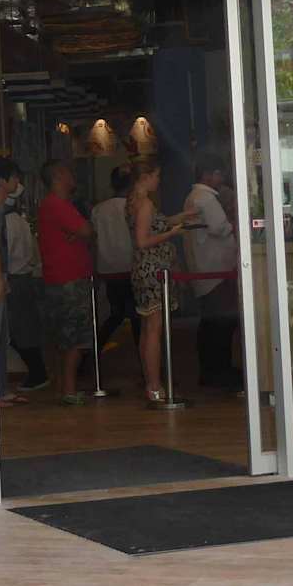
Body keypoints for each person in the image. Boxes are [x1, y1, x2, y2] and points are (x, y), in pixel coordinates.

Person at [128, 160, 194, 405]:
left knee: (147, 329)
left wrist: (178, 218)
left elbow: (151, 224)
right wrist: (172, 233)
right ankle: (155, 385)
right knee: (154, 330)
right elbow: (143, 240)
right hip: (153, 270)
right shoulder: (145, 203)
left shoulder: (133, 201)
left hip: (142, 269)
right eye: (156, 176)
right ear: (145, 177)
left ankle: (151, 382)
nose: (158, 180)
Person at [36, 160, 96, 406]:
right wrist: (81, 231)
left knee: (62, 336)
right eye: (69, 172)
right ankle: (69, 390)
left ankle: (62, 387)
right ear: (59, 176)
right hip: (69, 278)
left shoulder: (50, 206)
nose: (73, 176)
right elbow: (87, 230)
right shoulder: (58, 205)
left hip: (57, 277)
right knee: (74, 336)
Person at [183, 156, 243, 394]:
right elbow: (220, 228)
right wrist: (234, 222)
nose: (221, 178)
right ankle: (219, 371)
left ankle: (213, 369)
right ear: (207, 175)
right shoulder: (206, 198)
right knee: (221, 323)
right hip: (215, 269)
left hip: (204, 268)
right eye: (218, 173)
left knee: (211, 322)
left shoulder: (194, 196)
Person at [0, 157, 25, 406]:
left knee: (1, 336)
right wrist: (0, 280)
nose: (18, 182)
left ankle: (0, 389)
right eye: (14, 177)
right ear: (2, 181)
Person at [4, 182, 49, 392]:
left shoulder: (7, 222)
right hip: (24, 277)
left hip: (14, 280)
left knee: (18, 331)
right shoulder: (21, 221)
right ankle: (38, 371)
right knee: (24, 330)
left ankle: (38, 372)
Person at [92, 166, 137, 355]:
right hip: (131, 267)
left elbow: (94, 240)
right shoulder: (135, 207)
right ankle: (147, 362)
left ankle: (93, 353)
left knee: (115, 314)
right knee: (137, 317)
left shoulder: (98, 209)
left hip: (108, 269)